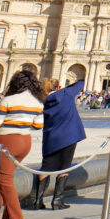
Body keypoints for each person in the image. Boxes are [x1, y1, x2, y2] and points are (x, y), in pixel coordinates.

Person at [0, 69, 45, 219]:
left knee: (4, 180)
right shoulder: (38, 102)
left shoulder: (8, 100)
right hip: (25, 142)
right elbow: (38, 125)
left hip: (7, 141)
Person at [28, 78, 85, 211]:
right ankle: (57, 201)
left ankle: (38, 201)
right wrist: (66, 87)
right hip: (69, 136)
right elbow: (81, 83)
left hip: (51, 136)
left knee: (46, 167)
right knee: (64, 167)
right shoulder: (66, 93)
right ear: (58, 86)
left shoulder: (42, 100)